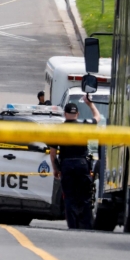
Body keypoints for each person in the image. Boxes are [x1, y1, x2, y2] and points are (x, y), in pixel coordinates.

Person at [48, 96, 100, 230]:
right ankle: (87, 226)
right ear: (77, 114)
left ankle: (73, 227)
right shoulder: (84, 125)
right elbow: (97, 117)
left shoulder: (58, 129)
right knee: (85, 198)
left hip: (66, 165)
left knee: (69, 198)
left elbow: (52, 153)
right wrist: (90, 104)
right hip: (82, 165)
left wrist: (55, 169)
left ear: (65, 114)